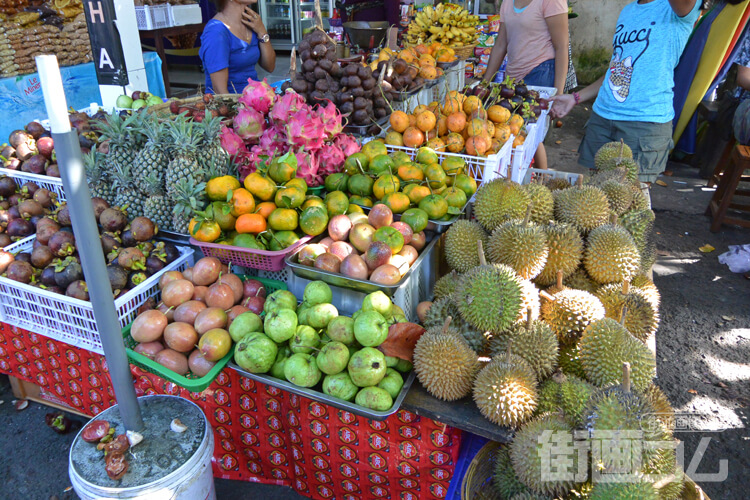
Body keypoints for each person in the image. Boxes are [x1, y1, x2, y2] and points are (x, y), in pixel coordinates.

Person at [550, 0, 701, 190]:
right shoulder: (628, 11)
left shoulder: (676, 9)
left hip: (644, 123)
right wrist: (576, 97)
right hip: (603, 118)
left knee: (630, 200)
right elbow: (616, 70)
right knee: (594, 195)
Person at [483, 0, 570, 170]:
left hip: (541, 72)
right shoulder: (508, 3)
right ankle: (525, 181)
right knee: (514, 135)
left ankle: (541, 178)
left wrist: (558, 93)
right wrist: (485, 84)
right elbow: (501, 45)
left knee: (531, 136)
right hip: (513, 79)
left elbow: (561, 47)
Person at [199, 0, 276, 94]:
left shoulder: (251, 23)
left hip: (254, 98)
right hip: (233, 103)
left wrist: (262, 32)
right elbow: (220, 92)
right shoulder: (216, 32)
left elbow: (270, 67)